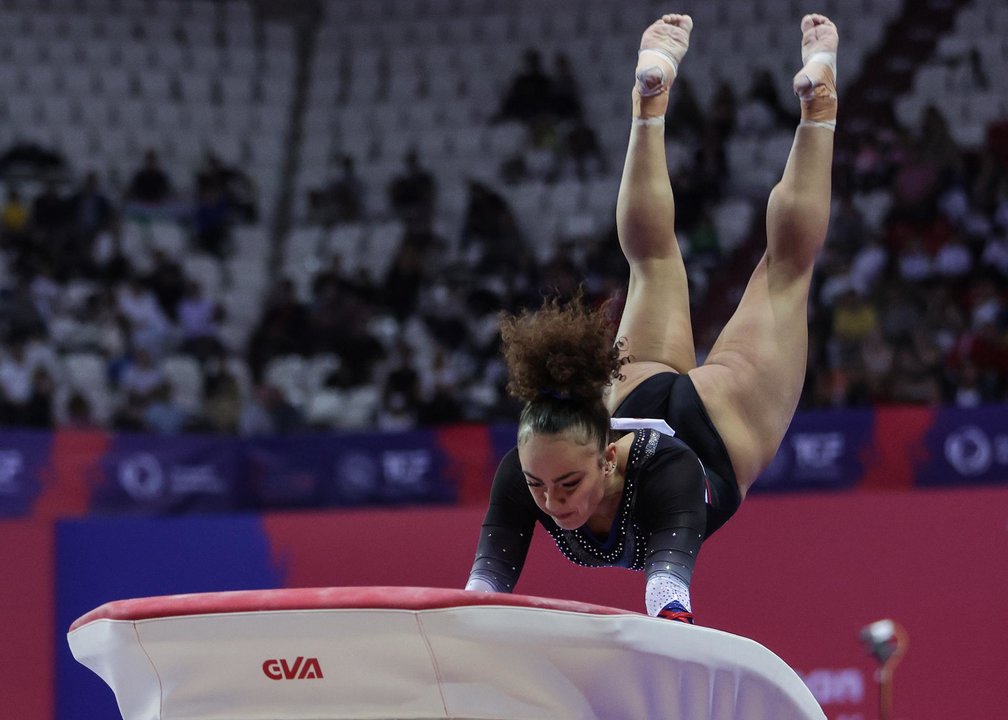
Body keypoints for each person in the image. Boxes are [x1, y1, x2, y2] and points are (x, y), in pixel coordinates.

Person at [465, 13, 839, 624]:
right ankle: (648, 103)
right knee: (651, 260)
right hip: (632, 392)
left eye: (566, 484)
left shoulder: (669, 479)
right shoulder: (527, 472)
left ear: (608, 456)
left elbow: (668, 590)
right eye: (538, 485)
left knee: (786, 270)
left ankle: (817, 109)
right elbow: (481, 590)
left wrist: (671, 625)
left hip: (718, 430)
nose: (551, 501)